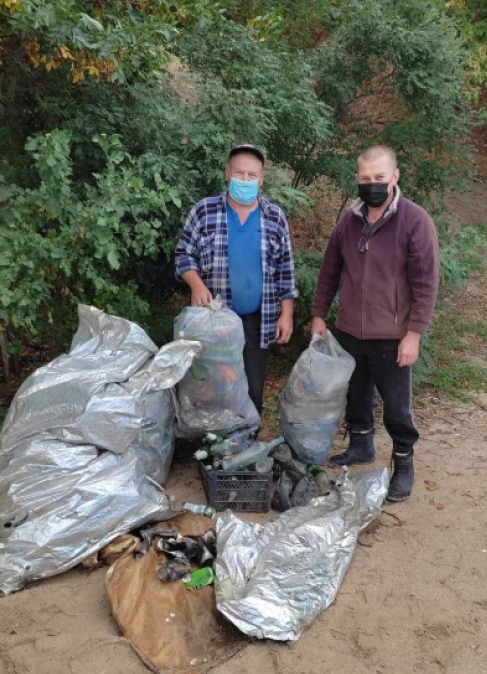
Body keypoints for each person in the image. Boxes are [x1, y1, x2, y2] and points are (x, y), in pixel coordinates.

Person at [310, 145, 439, 501]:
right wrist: (319, 315)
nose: (372, 184)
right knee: (355, 393)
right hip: (349, 328)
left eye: (379, 177)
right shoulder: (349, 222)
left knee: (396, 405)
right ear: (357, 178)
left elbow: (426, 283)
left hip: (393, 334)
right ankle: (361, 445)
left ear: (395, 176)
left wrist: (414, 334)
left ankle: (403, 463)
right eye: (365, 178)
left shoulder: (415, 221)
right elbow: (329, 271)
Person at [175, 144, 297, 416]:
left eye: (251, 175)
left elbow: (285, 269)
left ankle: (247, 438)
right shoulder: (204, 211)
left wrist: (286, 314)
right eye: (239, 173)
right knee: (212, 387)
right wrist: (196, 284)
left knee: (252, 389)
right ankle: (212, 439)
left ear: (261, 179)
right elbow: (183, 254)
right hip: (213, 321)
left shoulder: (275, 217)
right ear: (227, 174)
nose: (245, 179)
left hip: (257, 320)